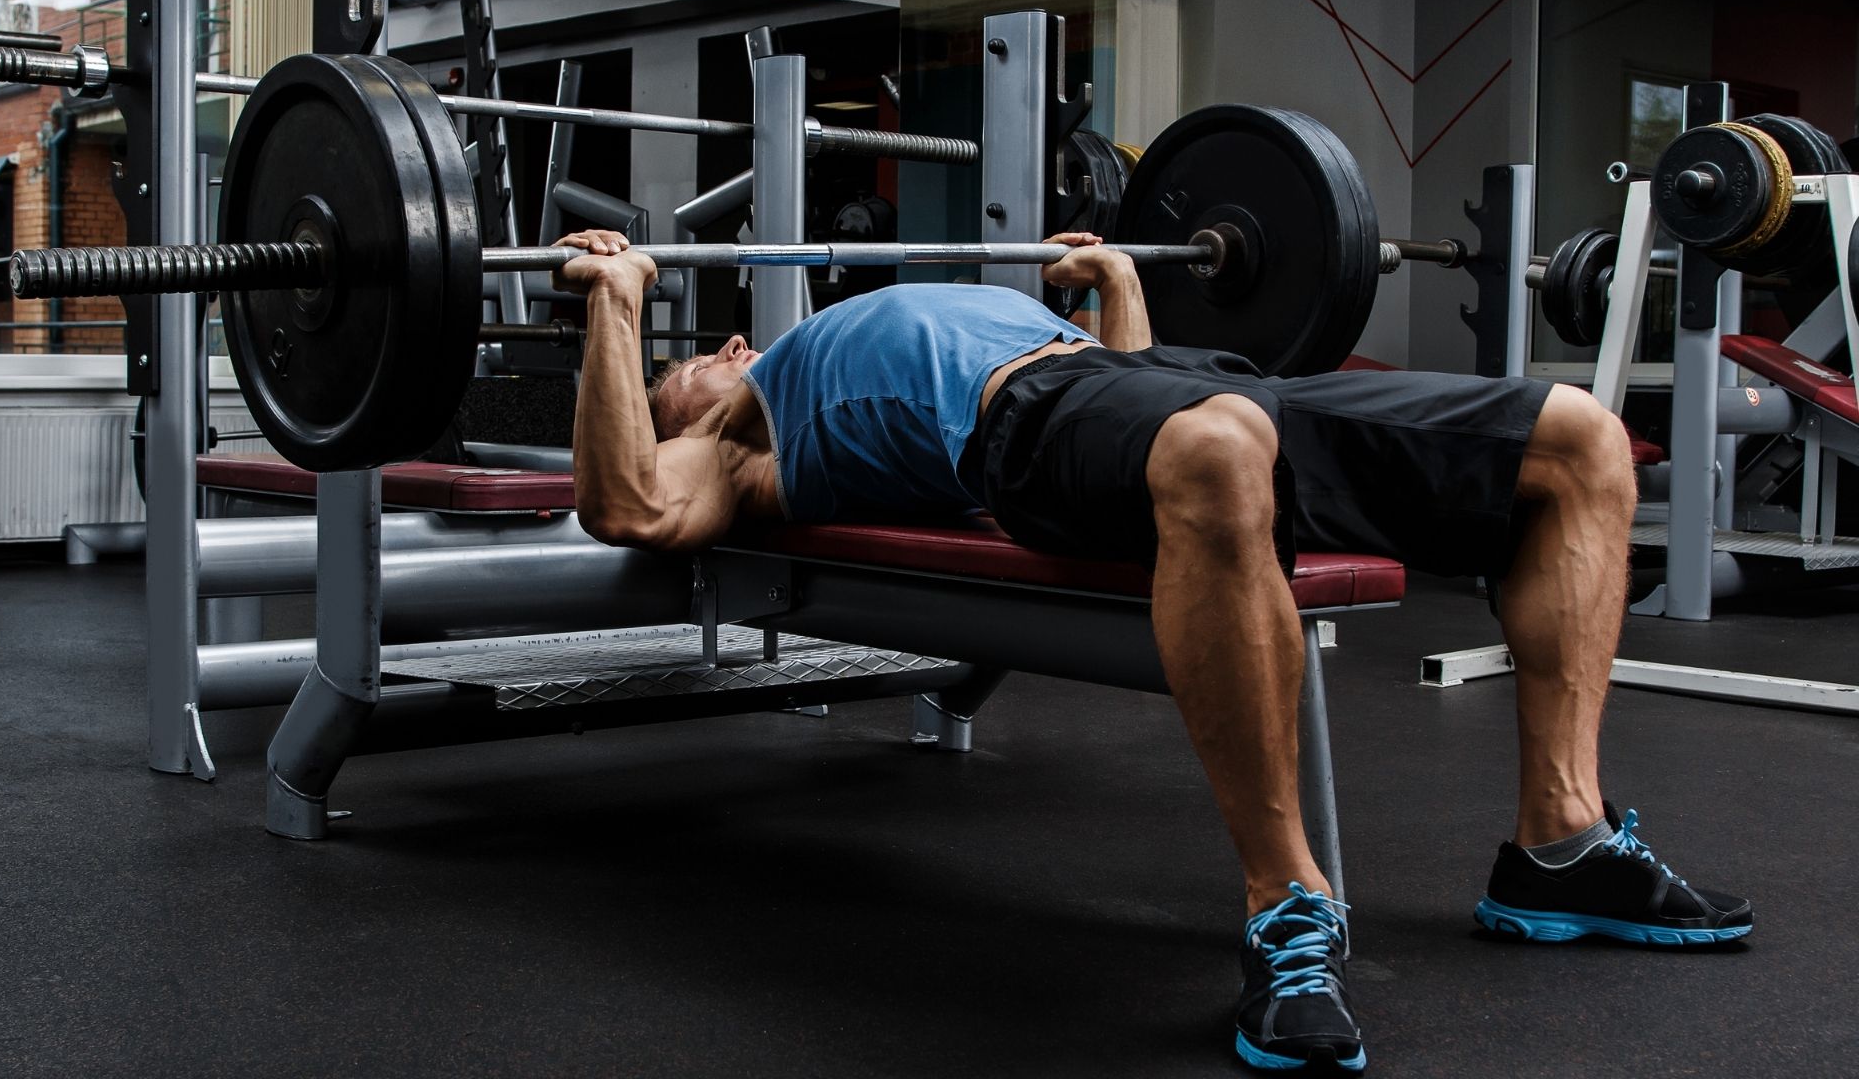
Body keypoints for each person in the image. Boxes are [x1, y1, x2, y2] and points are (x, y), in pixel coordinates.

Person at [553, 227, 1751, 1075]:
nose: (709, 352)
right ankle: (1287, 905)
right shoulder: (737, 446)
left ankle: (1559, 841)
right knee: (1217, 451)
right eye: (678, 370)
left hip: (1155, 381)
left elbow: (1127, 401)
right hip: (1019, 427)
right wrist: (615, 307)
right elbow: (627, 507)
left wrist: (1115, 282)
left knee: (1579, 440)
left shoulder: (802, 351)